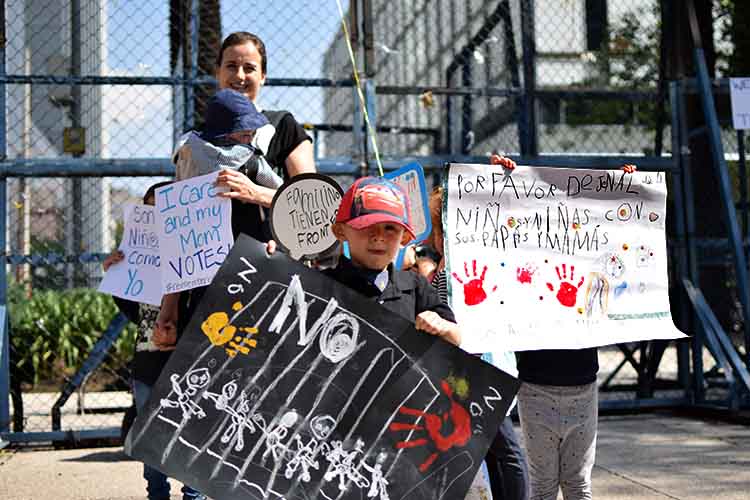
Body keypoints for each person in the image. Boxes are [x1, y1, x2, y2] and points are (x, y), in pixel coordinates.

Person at [158, 31, 316, 341]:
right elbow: (180, 229)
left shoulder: (283, 127)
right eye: (231, 66)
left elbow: (314, 206)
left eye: (250, 68)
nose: (240, 75)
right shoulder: (196, 143)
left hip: (275, 276)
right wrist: (170, 307)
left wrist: (256, 193)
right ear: (217, 72)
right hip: (209, 286)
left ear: (264, 76)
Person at [515, 163, 636, 500]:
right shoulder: (528, 262)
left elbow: (618, 239)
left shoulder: (589, 261)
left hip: (582, 387)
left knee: (578, 484)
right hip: (536, 387)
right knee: (543, 485)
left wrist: (623, 187)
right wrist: (501, 177)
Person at [425, 155, 529, 500]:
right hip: (460, 371)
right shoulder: (441, 270)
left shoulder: (483, 259)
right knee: (489, 448)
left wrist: (499, 180)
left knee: (504, 447)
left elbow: (510, 223)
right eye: (441, 229)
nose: (445, 237)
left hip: (485, 367)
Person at [103, 181, 206, 500]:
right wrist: (117, 275)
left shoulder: (197, 258)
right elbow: (133, 311)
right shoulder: (139, 258)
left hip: (189, 361)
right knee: (152, 434)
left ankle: (193, 494)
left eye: (163, 212)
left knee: (191, 431)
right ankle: (156, 492)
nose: (155, 218)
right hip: (148, 359)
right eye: (149, 210)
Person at [327, 176, 462, 347]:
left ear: (404, 238)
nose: (379, 237)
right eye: (366, 225)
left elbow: (456, 338)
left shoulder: (416, 287)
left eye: (390, 228)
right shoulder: (322, 284)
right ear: (340, 232)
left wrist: (442, 326)